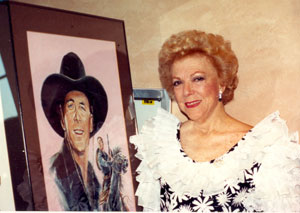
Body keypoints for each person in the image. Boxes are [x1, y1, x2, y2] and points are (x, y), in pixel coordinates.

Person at [130, 30, 300, 212]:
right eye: (178, 82)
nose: (187, 91)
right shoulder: (161, 146)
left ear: (222, 82)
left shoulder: (263, 150)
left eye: (198, 79)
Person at [41, 52, 108, 211]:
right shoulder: (52, 176)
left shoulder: (94, 178)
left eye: (82, 107)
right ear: (62, 118)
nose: (77, 117)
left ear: (91, 122)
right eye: (70, 107)